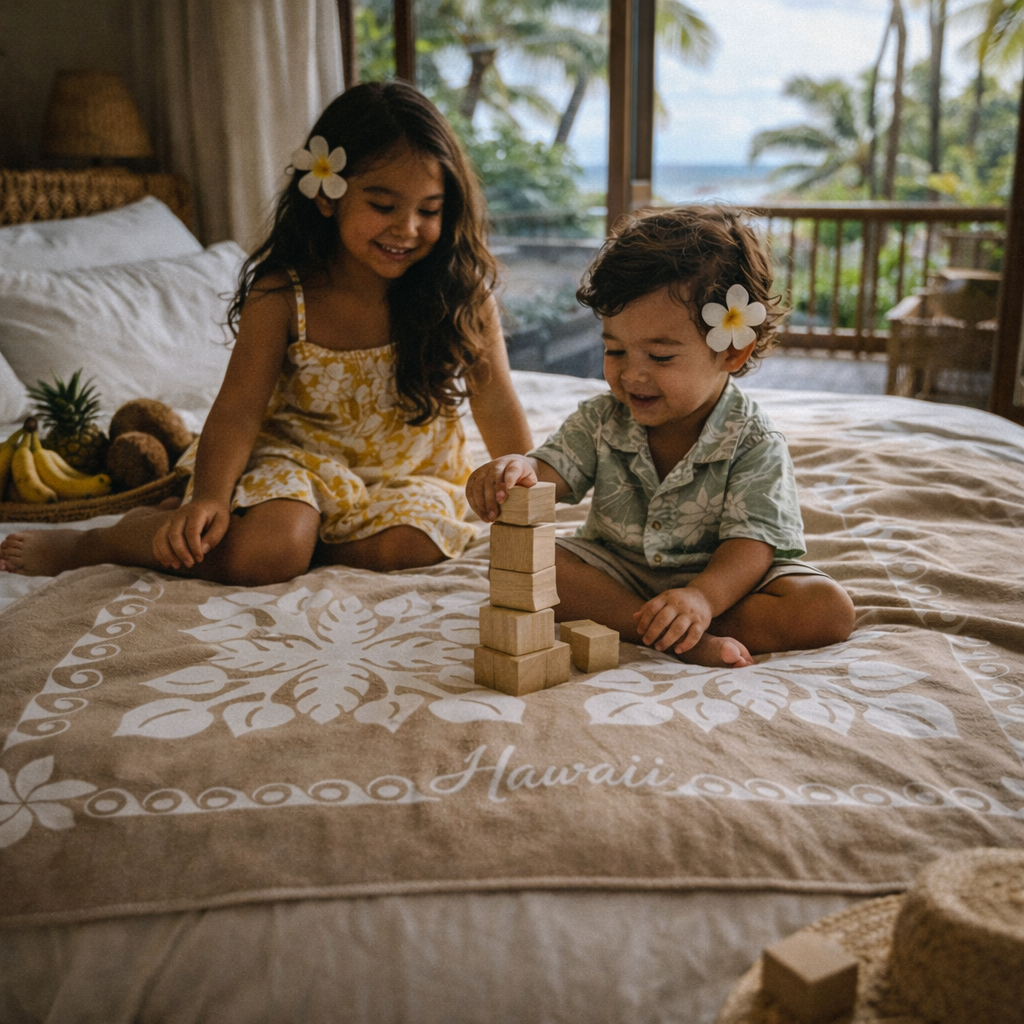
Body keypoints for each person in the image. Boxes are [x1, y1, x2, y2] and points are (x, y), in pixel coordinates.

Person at [1, 81, 532, 584]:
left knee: (419, 545)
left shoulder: (459, 293)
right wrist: (208, 497)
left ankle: (307, 551)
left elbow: (496, 400)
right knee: (269, 551)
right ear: (327, 196)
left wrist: (526, 478)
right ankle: (106, 542)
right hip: (295, 460)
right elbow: (238, 408)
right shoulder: (284, 295)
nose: (408, 228)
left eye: (429, 211)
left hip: (409, 470)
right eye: (383, 205)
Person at [467, 206, 855, 669]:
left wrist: (702, 598)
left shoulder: (754, 442)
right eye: (614, 350)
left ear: (732, 352)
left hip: (723, 585)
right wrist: (517, 469)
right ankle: (663, 632)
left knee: (827, 609)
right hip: (618, 572)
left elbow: (753, 544)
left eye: (660, 356)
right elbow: (550, 471)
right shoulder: (602, 419)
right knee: (511, 562)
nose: (632, 375)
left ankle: (683, 623)